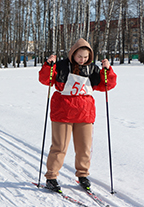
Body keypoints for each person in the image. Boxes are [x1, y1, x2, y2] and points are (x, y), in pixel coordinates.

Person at [39, 38, 117, 192]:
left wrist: (107, 71)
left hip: (85, 113)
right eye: (79, 56)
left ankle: (82, 175)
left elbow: (106, 85)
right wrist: (49, 65)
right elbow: (45, 80)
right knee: (59, 147)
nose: (82, 60)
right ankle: (51, 177)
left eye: (86, 57)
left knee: (84, 148)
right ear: (73, 54)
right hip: (63, 112)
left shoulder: (93, 70)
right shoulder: (61, 66)